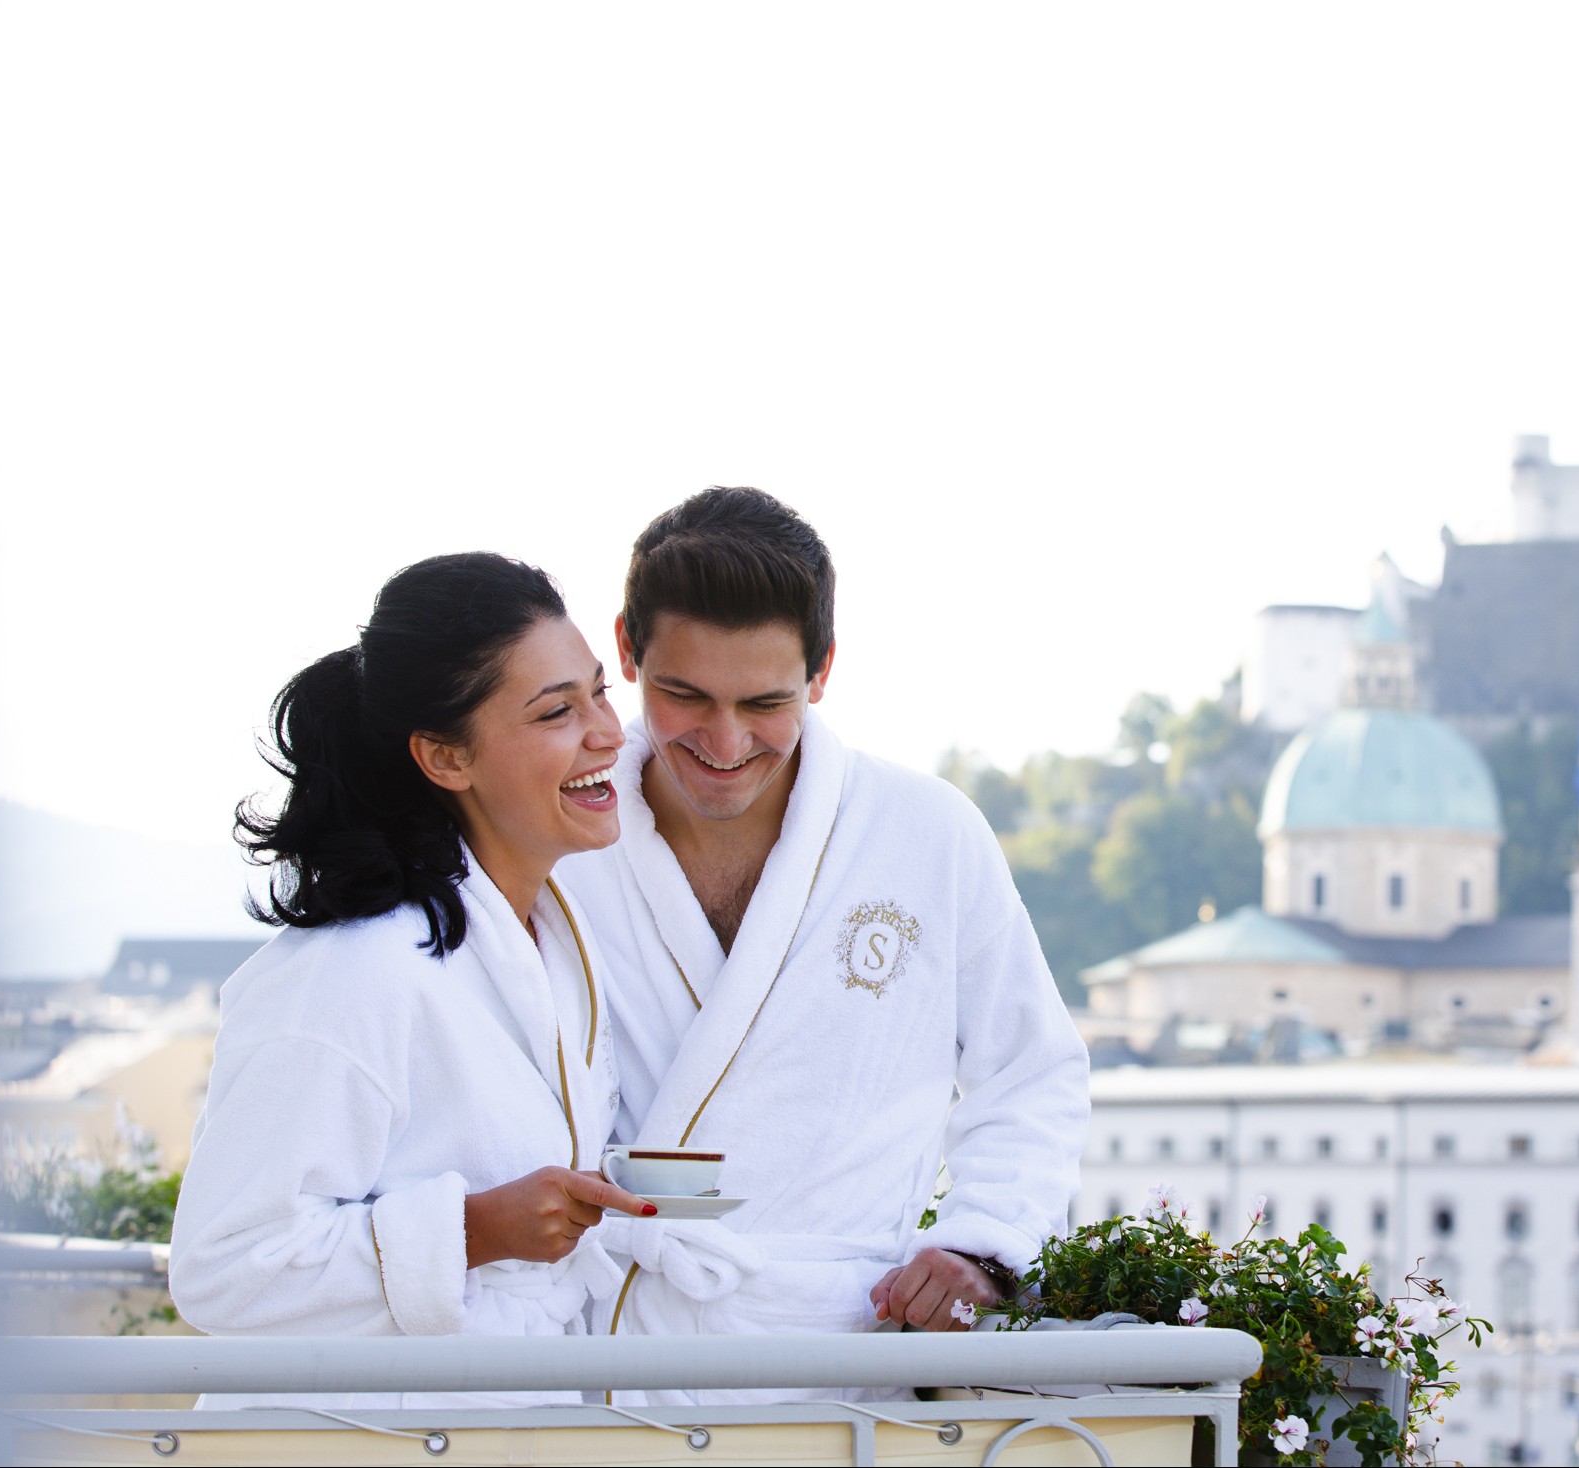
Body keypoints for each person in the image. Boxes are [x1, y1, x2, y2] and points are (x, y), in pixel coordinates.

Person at [557, 487, 1090, 1405]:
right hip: (604, 1354)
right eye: (684, 696)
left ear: (823, 669)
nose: (724, 743)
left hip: (843, 1353)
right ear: (627, 649)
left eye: (764, 702)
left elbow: (1030, 1071)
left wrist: (983, 1244)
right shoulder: (561, 841)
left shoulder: (926, 833)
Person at [171, 553, 652, 1410]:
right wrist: (470, 1231)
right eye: (557, 711)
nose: (609, 733)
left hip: (504, 1423)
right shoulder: (348, 977)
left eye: (600, 693)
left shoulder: (553, 945)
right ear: (443, 756)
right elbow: (221, 1269)